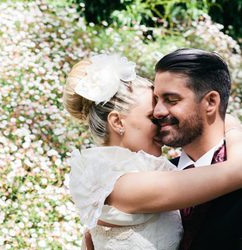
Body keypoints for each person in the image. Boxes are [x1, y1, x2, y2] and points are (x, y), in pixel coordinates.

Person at [63, 53, 242, 250]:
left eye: (171, 100)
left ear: (210, 102)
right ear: (117, 122)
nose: (159, 113)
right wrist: (232, 126)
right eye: (152, 112)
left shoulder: (158, 174)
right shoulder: (123, 185)